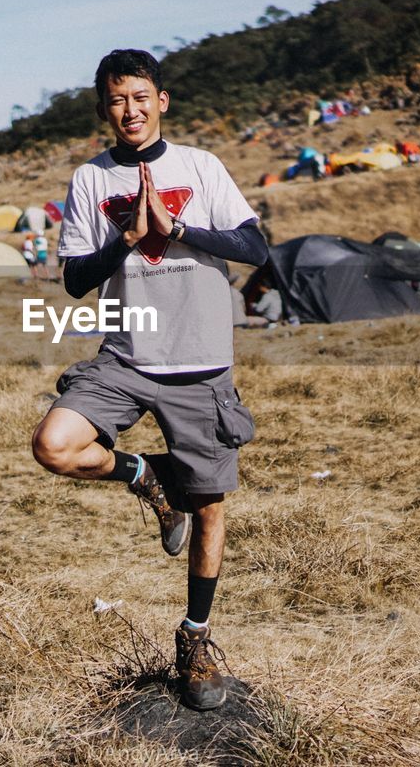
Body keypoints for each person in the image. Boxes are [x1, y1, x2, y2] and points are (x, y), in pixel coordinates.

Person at [31, 48, 268, 711]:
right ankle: (145, 477)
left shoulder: (201, 167)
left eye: (140, 96)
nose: (129, 110)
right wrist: (127, 241)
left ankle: (195, 640)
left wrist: (182, 228)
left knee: (212, 508)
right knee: (53, 444)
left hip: (202, 365)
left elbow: (256, 248)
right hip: (126, 358)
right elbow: (77, 280)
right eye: (116, 99)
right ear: (103, 108)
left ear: (162, 100)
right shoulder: (90, 179)